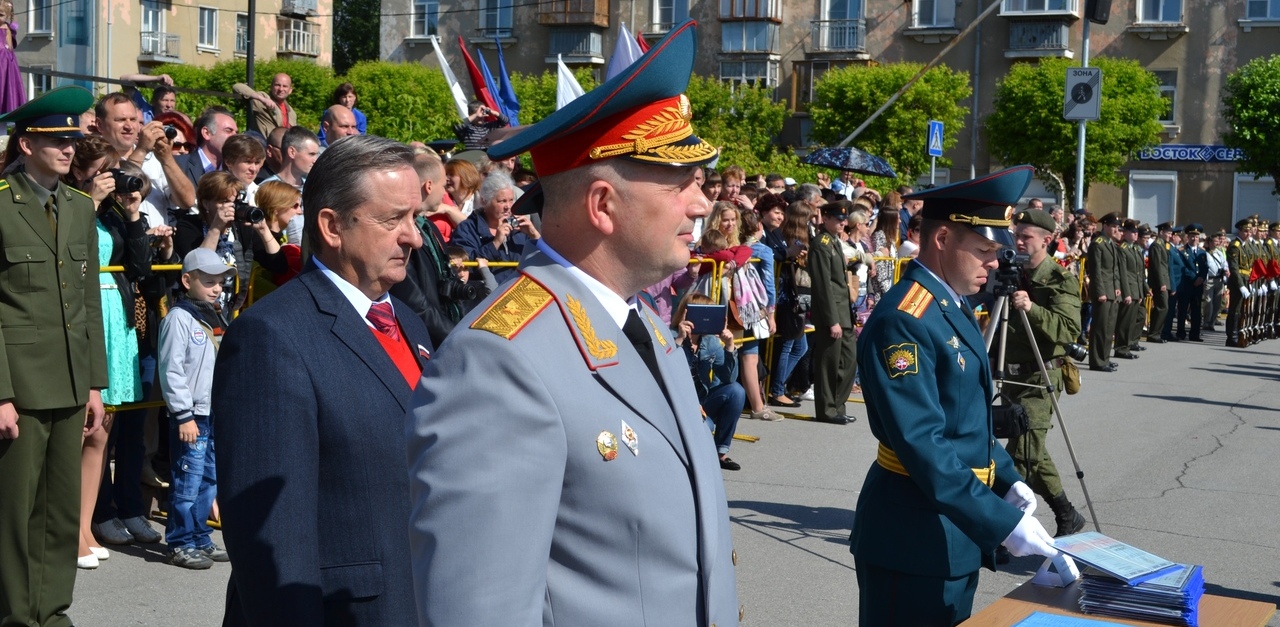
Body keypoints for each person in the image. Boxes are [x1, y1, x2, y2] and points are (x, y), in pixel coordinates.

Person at [406, 22, 738, 626]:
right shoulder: (499, 360)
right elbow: (480, 611)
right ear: (603, 205)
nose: (702, 202)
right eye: (679, 181)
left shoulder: (646, 327)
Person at [214, 135, 432, 624]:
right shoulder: (271, 336)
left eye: (414, 218)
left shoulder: (408, 322)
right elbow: (270, 536)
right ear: (332, 226)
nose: (413, 237)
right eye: (393, 218)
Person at [851, 165, 1058, 626]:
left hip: (954, 532)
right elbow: (923, 442)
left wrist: (1007, 480)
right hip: (913, 534)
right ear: (942, 239)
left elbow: (966, 419)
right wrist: (1002, 523)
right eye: (984, 249)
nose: (994, 261)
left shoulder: (950, 303)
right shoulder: (904, 319)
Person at [0, 86, 108, 627]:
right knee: (13, 514)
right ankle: (16, 616)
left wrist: (94, 384)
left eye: (73, 138)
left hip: (69, 382)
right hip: (18, 384)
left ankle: (51, 612)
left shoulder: (79, 207)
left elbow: (86, 300)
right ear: (26, 143)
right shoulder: (0, 202)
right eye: (57, 139)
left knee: (60, 511)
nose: (70, 148)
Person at [999, 208, 1085, 537]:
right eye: (1016, 235)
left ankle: (997, 528)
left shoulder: (1059, 279)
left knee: (1021, 455)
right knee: (1032, 448)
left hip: (1040, 378)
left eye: (1026, 237)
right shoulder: (1008, 273)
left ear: (1047, 241)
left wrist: (1032, 308)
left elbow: (1067, 329)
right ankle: (1066, 513)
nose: (1018, 241)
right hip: (1008, 375)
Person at [158, 248, 235, 569]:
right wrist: (183, 414)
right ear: (187, 280)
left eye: (220, 282)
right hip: (191, 416)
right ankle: (180, 541)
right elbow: (171, 370)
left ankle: (200, 535)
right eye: (209, 282)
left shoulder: (212, 314)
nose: (217, 288)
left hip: (211, 412)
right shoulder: (179, 318)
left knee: (208, 479)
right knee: (187, 480)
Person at [673, 292, 745, 470]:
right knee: (708, 425)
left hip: (702, 398)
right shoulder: (670, 335)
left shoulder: (710, 341)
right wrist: (680, 340)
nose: (708, 319)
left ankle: (720, 452)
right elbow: (665, 367)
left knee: (736, 391)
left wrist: (729, 347)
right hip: (680, 402)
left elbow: (729, 378)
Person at [809, 200, 857, 425]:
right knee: (829, 363)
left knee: (848, 361)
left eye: (844, 219)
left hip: (843, 313)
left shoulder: (834, 242)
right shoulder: (821, 244)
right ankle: (827, 410)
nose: (842, 223)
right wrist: (831, 320)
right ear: (825, 218)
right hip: (832, 315)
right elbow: (823, 285)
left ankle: (838, 406)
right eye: (838, 219)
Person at [451, 170, 538, 283]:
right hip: (487, 296)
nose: (508, 206)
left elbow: (543, 260)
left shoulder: (520, 229)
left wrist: (534, 235)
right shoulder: (467, 230)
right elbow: (466, 268)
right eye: (502, 201)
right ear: (484, 201)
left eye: (511, 200)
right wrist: (495, 243)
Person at [1086, 212, 1123, 372]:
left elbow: (1114, 270)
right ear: (1105, 226)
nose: (1116, 229)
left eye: (1117, 227)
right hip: (1102, 291)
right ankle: (1097, 361)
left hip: (1111, 291)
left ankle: (1105, 358)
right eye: (1113, 226)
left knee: (1109, 327)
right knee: (1100, 328)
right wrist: (1100, 291)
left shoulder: (1110, 243)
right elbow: (1096, 271)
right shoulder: (1098, 243)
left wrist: (1117, 288)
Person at [175, 106, 239, 189]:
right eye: (228, 130)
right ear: (206, 133)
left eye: (236, 132)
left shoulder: (234, 171)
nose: (235, 136)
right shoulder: (179, 164)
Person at [1112, 219, 1142, 359]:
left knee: (1131, 321)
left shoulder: (1135, 249)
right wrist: (1127, 293)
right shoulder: (1122, 249)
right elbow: (1123, 273)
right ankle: (1121, 348)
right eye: (1133, 232)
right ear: (1126, 233)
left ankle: (1127, 346)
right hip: (1128, 289)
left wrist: (1141, 291)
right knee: (1124, 321)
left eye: (1137, 232)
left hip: (1136, 289)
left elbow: (1139, 273)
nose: (1136, 235)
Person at [1226, 217, 1254, 346]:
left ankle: (1239, 332)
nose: (1248, 234)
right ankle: (1231, 336)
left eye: (1249, 231)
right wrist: (1241, 286)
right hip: (1238, 282)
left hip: (1247, 280)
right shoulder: (1234, 245)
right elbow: (1234, 268)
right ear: (1239, 231)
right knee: (1235, 309)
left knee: (1243, 310)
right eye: (1245, 231)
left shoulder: (1246, 245)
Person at [1177, 224, 1208, 342]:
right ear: (1187, 237)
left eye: (1196, 236)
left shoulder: (1202, 252)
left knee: (1196, 310)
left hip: (1198, 286)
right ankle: (1180, 333)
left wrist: (1201, 278)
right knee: (1183, 310)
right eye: (1192, 236)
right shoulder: (1182, 251)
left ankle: (1195, 334)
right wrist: (1194, 278)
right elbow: (1183, 267)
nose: (1194, 239)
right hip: (1186, 285)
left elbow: (1205, 267)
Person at [1146, 222, 1173, 343]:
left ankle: (1156, 332)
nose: (1170, 236)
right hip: (1159, 282)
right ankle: (1154, 333)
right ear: (1161, 232)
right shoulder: (1156, 245)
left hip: (1163, 281)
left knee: (1163, 307)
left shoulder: (1163, 244)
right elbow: (1157, 266)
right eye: (1168, 233)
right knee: (1162, 307)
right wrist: (1162, 283)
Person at [1204, 228, 1228, 332]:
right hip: (1209, 280)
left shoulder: (1219, 252)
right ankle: (1206, 322)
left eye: (1218, 241)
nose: (1217, 243)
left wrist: (1226, 270)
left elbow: (1224, 263)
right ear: (1209, 242)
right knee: (1209, 302)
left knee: (1218, 303)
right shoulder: (1205, 253)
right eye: (1215, 241)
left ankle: (1212, 322)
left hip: (1219, 280)